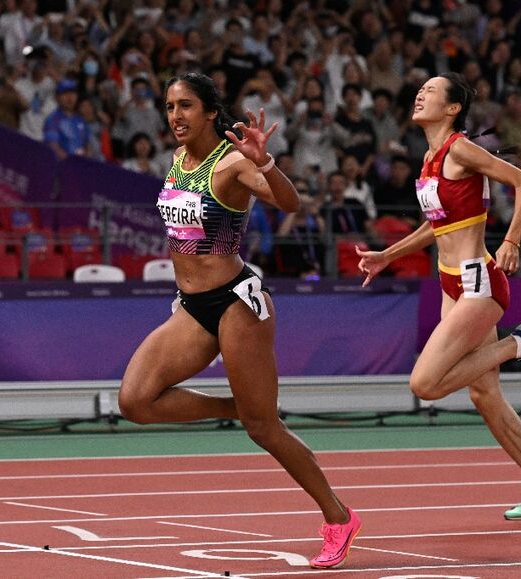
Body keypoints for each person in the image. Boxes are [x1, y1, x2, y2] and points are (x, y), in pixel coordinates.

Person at [118, 72, 360, 569]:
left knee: (264, 428)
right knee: (136, 400)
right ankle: (237, 406)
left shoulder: (230, 163)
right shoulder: (176, 160)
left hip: (236, 304)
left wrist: (264, 162)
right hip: (190, 307)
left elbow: (290, 203)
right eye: (169, 107)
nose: (175, 116)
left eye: (185, 105)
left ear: (210, 111)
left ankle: (338, 516)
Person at [356, 73, 521, 521]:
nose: (420, 94)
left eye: (430, 91)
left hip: (480, 283)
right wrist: (386, 256)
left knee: (425, 384)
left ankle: (517, 344)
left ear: (452, 109)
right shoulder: (430, 159)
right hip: (450, 282)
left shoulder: (460, 149)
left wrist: (512, 241)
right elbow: (437, 228)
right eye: (420, 89)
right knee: (484, 395)